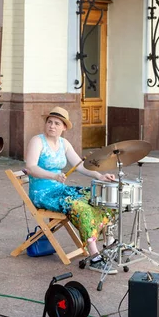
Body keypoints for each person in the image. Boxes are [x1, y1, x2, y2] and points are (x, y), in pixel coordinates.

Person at [25, 107, 118, 274]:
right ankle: (94, 255)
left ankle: (109, 242)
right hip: (43, 194)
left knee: (97, 196)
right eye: (49, 122)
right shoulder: (37, 141)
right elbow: (30, 168)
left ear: (64, 127)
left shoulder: (64, 143)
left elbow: (80, 165)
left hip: (60, 189)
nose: (52, 126)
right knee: (80, 207)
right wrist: (52, 177)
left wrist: (99, 176)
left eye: (57, 123)